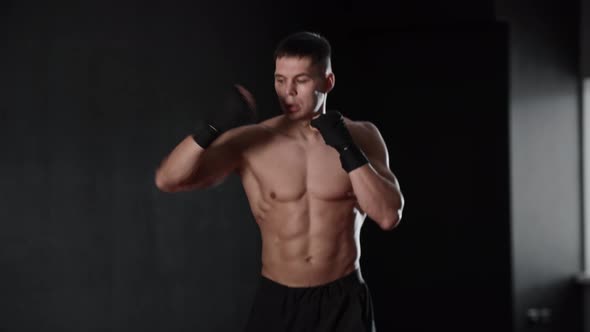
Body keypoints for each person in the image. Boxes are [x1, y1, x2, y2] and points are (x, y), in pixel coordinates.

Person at [155, 31, 404, 332]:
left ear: (327, 82)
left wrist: (346, 147)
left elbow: (389, 215)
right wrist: (211, 127)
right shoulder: (252, 142)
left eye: (301, 80)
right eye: (280, 80)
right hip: (280, 300)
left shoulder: (363, 136)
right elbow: (168, 180)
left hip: (344, 300)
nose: (288, 92)